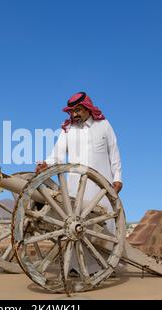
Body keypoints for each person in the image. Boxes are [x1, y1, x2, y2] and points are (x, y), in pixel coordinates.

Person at [35, 91, 123, 275]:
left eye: (78, 110)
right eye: (72, 111)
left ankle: (106, 265)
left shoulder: (104, 126)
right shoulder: (68, 130)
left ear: (88, 108)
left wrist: (117, 178)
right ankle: (76, 266)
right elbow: (57, 154)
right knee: (75, 223)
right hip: (76, 185)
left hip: (101, 186)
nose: (74, 114)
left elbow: (114, 152)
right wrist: (47, 164)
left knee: (103, 222)